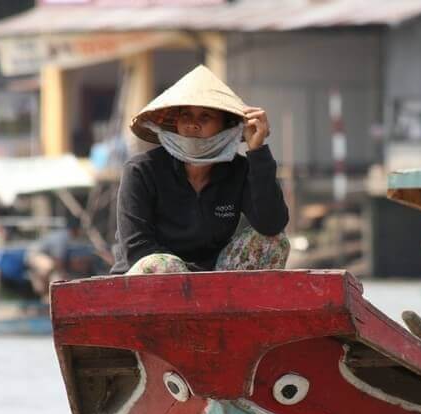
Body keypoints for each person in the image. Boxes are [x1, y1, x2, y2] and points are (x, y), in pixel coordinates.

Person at [110, 65, 289, 275]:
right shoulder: (141, 171)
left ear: (226, 126)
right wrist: (194, 277)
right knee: (165, 266)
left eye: (205, 117)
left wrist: (258, 152)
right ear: (175, 123)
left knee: (275, 242)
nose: (193, 125)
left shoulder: (239, 171)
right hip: (151, 285)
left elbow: (271, 225)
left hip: (213, 282)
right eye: (186, 115)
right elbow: (137, 249)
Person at [25, 216, 99, 297]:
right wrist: (63, 273)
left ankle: (44, 292)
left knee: (54, 273)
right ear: (75, 229)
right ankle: (41, 289)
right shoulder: (63, 237)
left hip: (43, 256)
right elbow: (58, 260)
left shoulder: (67, 237)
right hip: (35, 254)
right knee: (50, 267)